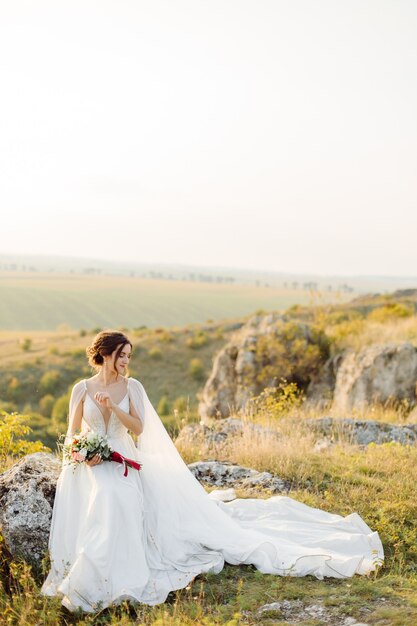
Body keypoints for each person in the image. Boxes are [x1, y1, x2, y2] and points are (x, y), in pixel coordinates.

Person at [41, 329, 384, 612]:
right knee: (104, 494)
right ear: (104, 354)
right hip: (91, 463)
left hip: (125, 462)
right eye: (122, 355)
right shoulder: (81, 389)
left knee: (115, 495)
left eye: (130, 355)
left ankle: (95, 582)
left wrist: (114, 406)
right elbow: (72, 434)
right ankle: (90, 580)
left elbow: (139, 429)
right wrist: (85, 454)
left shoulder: (132, 388)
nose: (127, 361)